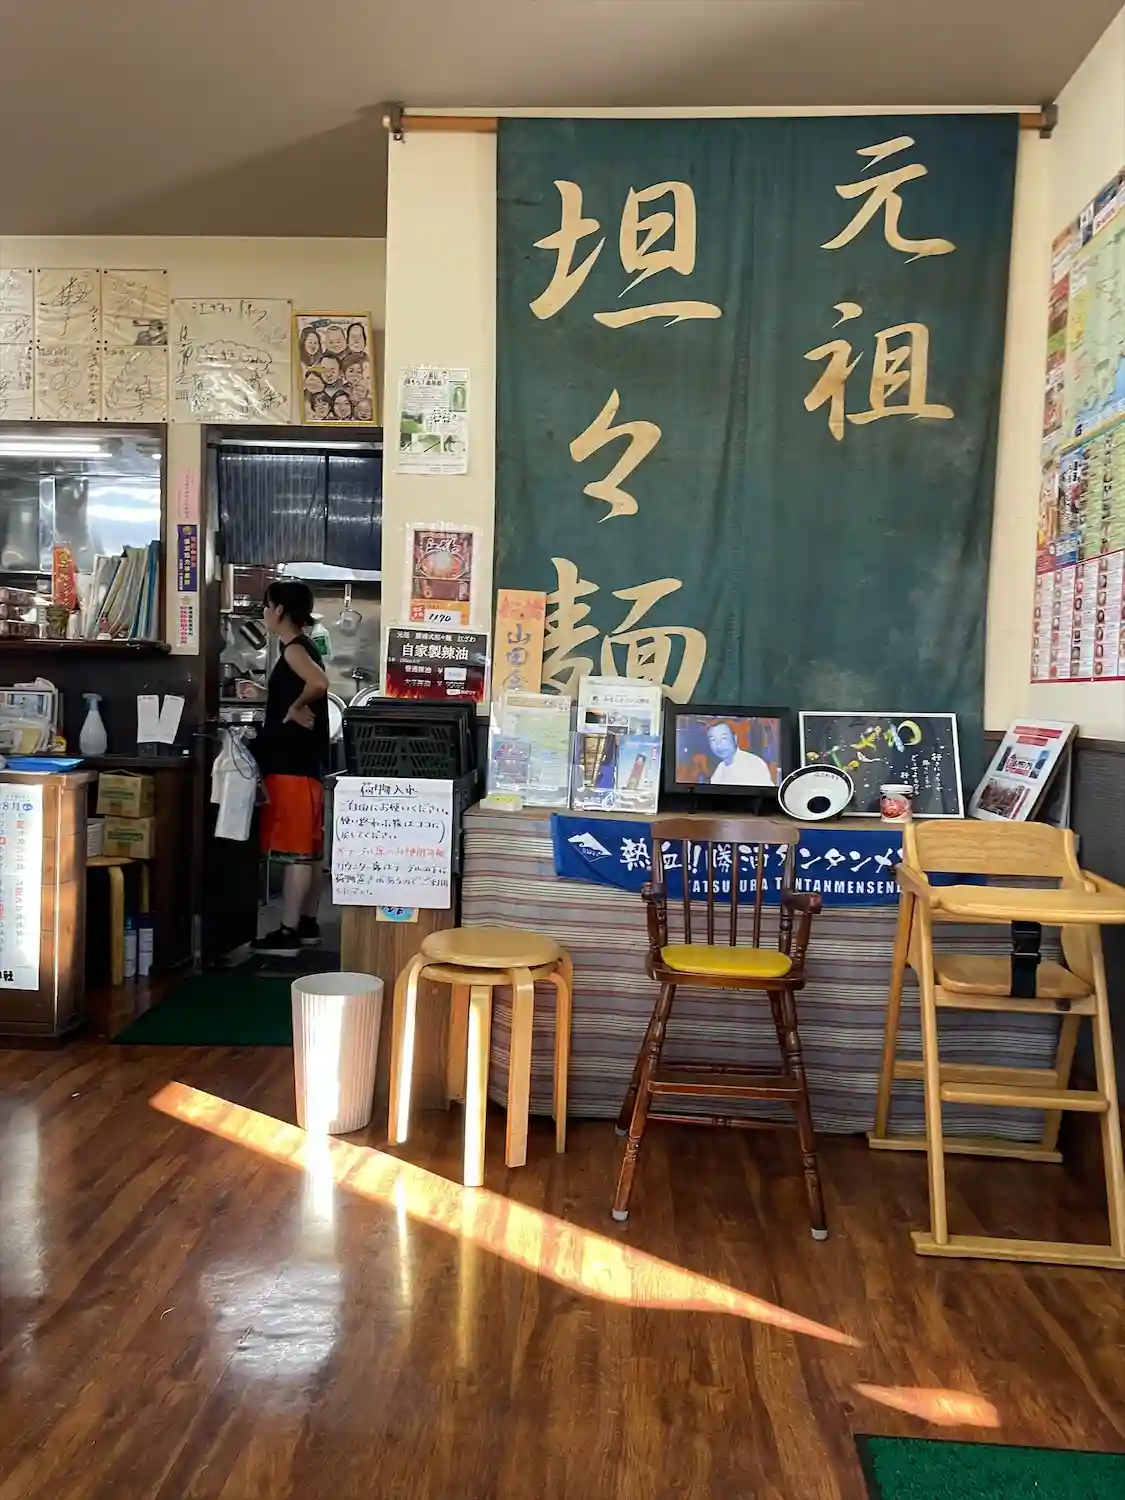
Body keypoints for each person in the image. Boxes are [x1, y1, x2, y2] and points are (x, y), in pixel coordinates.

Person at [252, 581, 330, 956]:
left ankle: (288, 931)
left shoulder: (295, 649)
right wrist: (272, 698)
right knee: (309, 849)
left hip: (291, 764)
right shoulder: (303, 647)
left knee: (296, 850)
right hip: (305, 764)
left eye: (266, 606)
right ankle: (307, 922)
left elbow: (319, 683)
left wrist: (296, 707)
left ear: (280, 610)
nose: (265, 613)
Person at [706, 721, 774, 786]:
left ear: (735, 738)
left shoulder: (753, 763)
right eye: (713, 740)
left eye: (723, 738)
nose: (718, 744)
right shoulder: (719, 770)